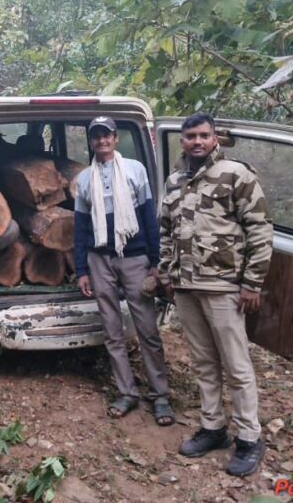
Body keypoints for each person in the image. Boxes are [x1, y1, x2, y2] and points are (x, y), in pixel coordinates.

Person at [158, 112, 273, 477]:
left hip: (223, 286)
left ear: (214, 139)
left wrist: (252, 283)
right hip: (187, 287)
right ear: (182, 140)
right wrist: (167, 274)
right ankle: (213, 428)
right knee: (204, 363)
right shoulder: (175, 181)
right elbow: (166, 231)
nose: (197, 141)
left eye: (203, 135)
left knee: (237, 365)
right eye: (191, 135)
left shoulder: (236, 174)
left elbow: (260, 230)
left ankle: (249, 437)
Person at [73, 116, 174, 425]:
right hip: (99, 259)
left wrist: (156, 262)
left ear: (115, 138)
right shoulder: (84, 179)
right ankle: (127, 392)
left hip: (135, 259)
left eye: (107, 135)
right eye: (96, 136)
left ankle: (160, 395)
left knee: (147, 329)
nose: (102, 141)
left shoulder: (135, 170)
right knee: (112, 331)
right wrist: (82, 269)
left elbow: (149, 218)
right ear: (91, 142)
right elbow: (81, 228)